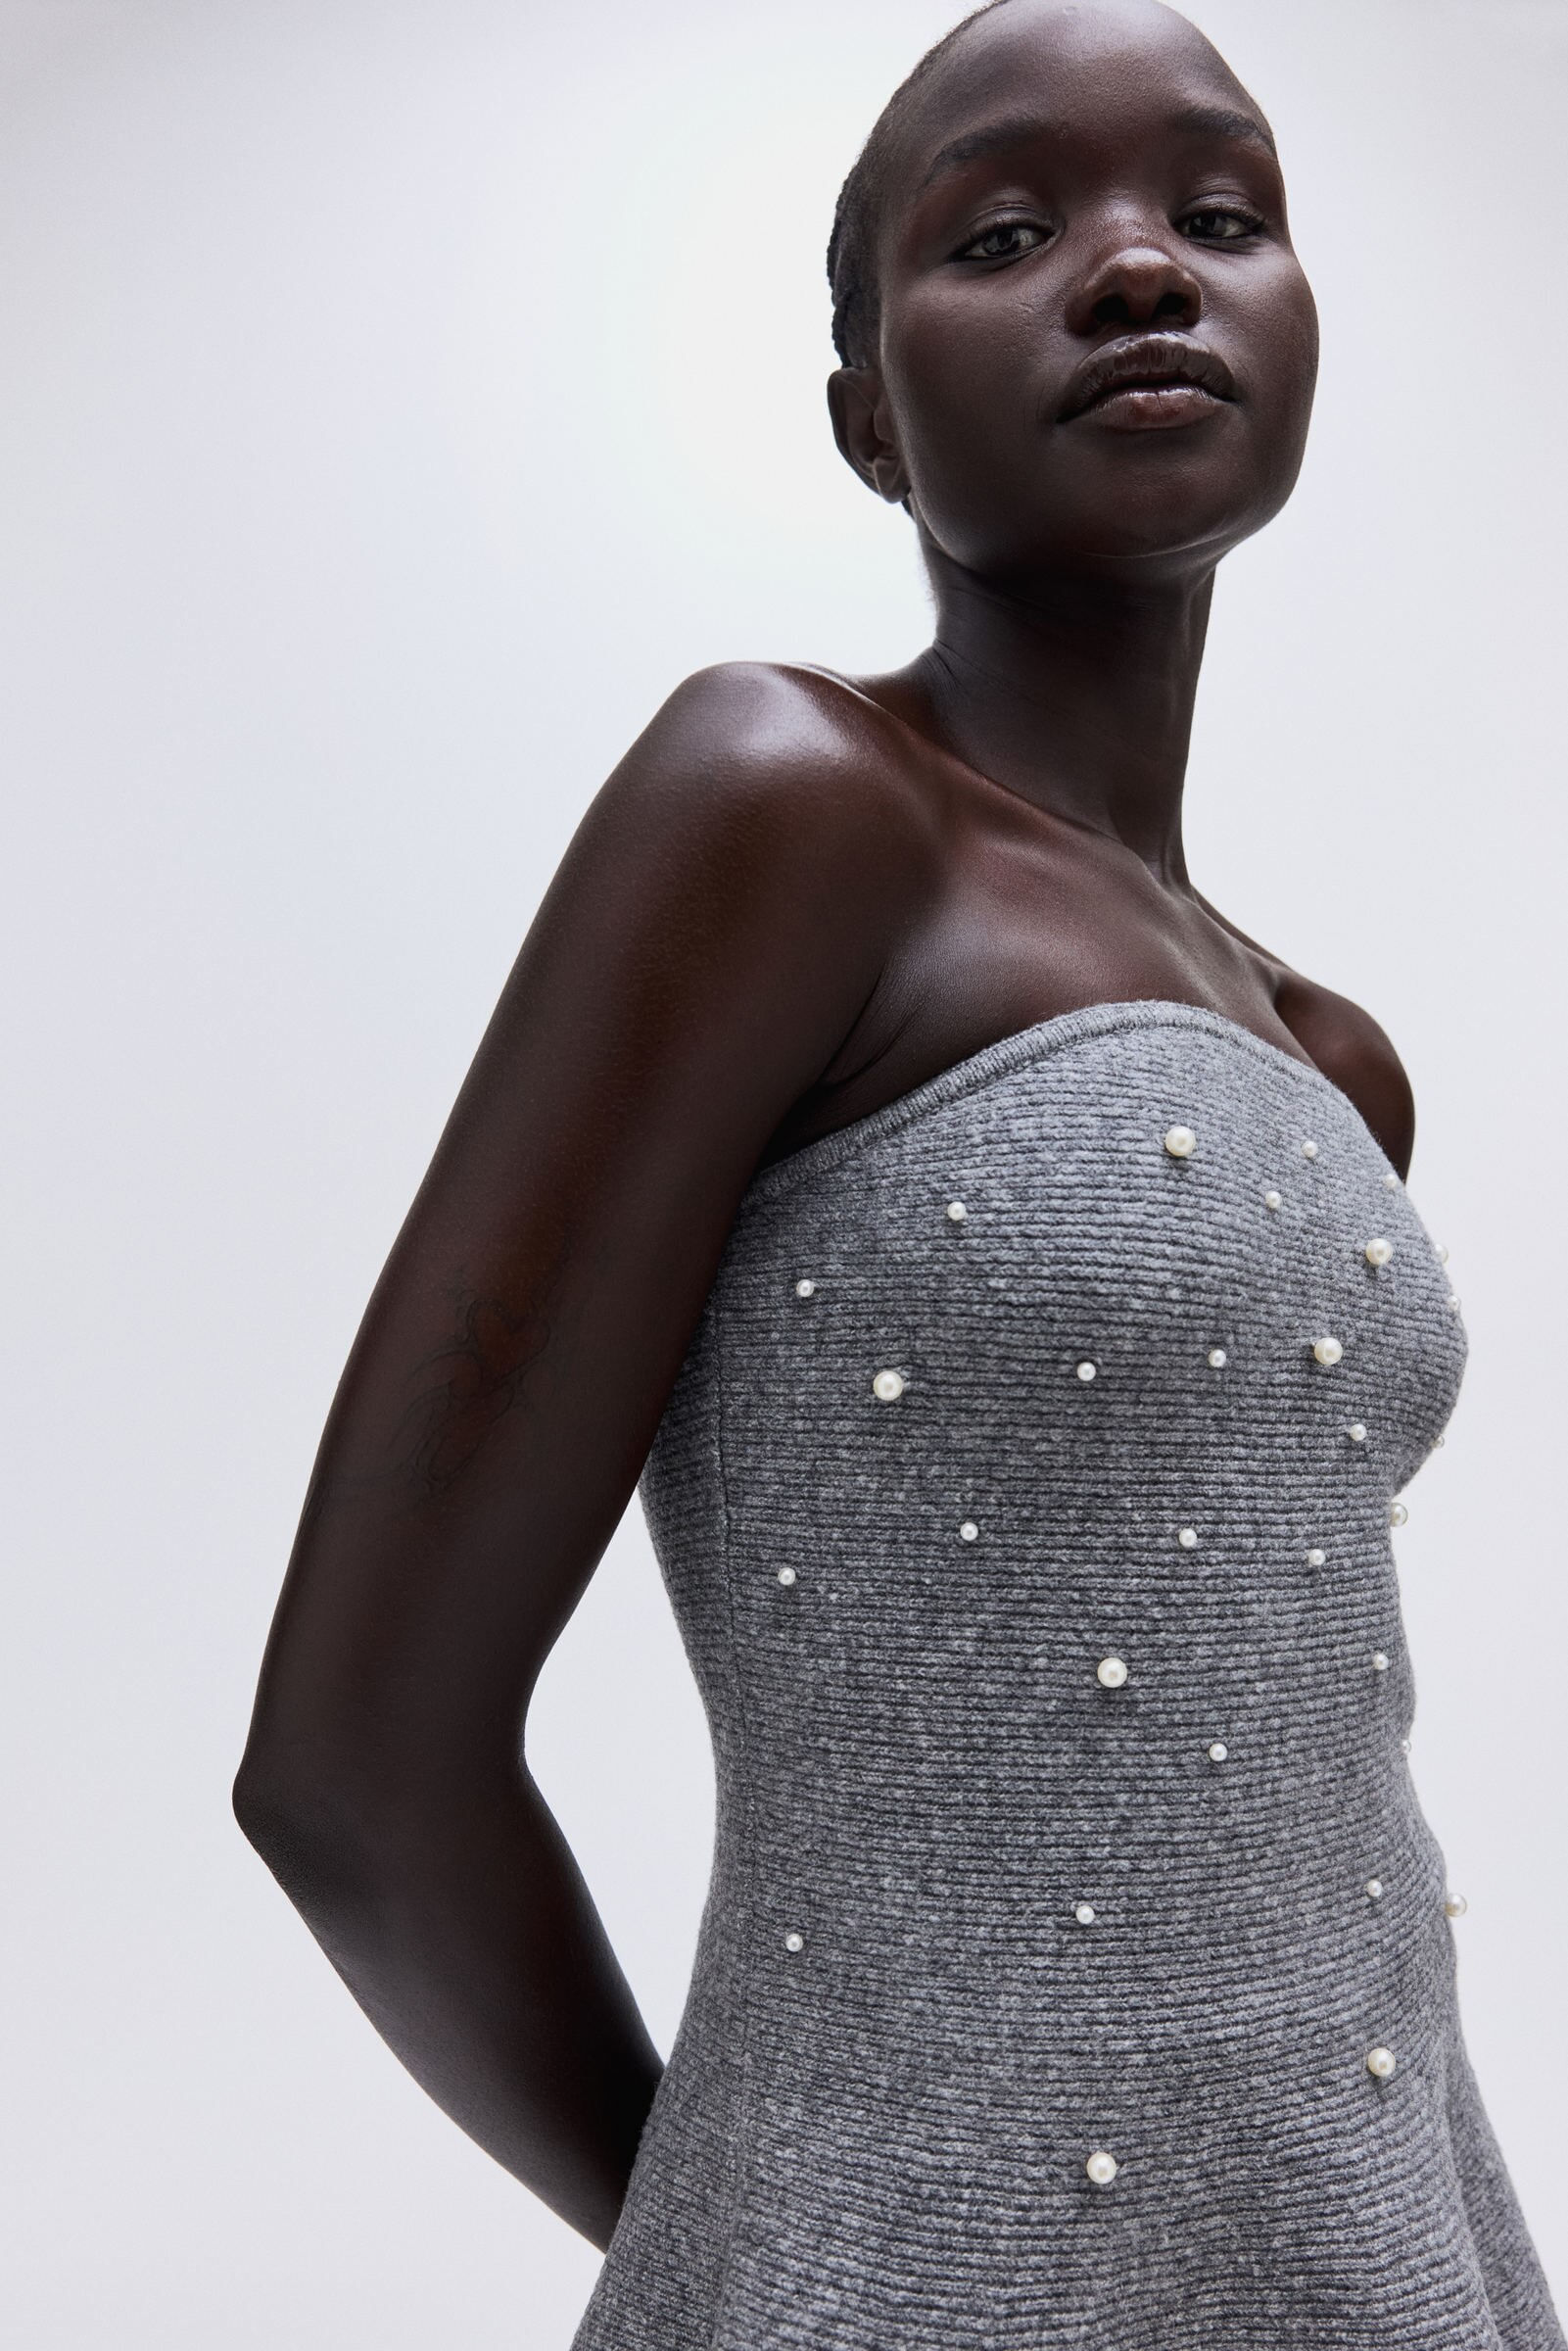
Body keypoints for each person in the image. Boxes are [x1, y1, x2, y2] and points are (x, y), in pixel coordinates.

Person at [234, 0, 1566, 2340]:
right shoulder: (789, 806)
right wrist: (783, 2253)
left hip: (1393, 2250)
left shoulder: (1331, 1066)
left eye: (1221, 212)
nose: (1141, 268)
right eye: (1007, 232)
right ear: (868, 413)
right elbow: (354, 1773)